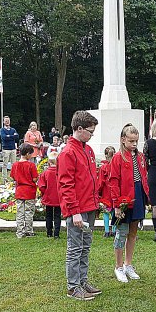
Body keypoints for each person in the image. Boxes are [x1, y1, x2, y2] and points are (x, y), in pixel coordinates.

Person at [57, 110, 101, 301]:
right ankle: (73, 286)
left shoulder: (88, 150)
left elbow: (90, 179)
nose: (92, 135)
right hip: (77, 209)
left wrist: (96, 203)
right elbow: (66, 185)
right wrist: (74, 212)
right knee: (75, 247)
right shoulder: (68, 152)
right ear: (79, 129)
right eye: (90, 131)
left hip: (89, 206)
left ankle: (82, 281)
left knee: (85, 247)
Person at [110, 124, 149, 283]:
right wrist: (117, 204)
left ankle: (128, 264)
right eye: (131, 141)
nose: (134, 144)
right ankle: (118, 266)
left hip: (138, 196)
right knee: (121, 233)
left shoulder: (140, 157)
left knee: (133, 233)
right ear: (123, 139)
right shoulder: (117, 157)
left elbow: (144, 177)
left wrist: (146, 198)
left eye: (136, 141)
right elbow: (113, 181)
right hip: (124, 199)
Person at [10, 143, 38, 238]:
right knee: (29, 212)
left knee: (20, 212)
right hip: (29, 191)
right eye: (31, 154)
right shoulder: (31, 165)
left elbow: (13, 177)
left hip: (19, 190)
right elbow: (34, 179)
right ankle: (29, 230)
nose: (31, 156)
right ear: (27, 154)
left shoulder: (15, 165)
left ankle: (20, 232)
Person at [38, 152, 61, 238]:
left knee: (48, 215)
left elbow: (41, 186)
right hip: (58, 197)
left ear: (48, 162)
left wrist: (44, 193)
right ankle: (57, 233)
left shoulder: (45, 173)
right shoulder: (60, 173)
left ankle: (49, 232)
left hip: (48, 197)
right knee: (57, 215)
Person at [98, 146, 116, 238]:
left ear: (105, 155)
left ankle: (106, 231)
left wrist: (98, 192)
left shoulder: (103, 168)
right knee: (114, 211)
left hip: (106, 192)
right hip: (114, 191)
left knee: (106, 212)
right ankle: (114, 230)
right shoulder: (116, 167)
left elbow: (100, 182)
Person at [0, 116, 19, 183]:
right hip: (6, 149)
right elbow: (4, 138)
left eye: (8, 120)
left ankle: (15, 178)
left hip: (13, 149)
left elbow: (17, 137)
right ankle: (4, 178)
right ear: (3, 122)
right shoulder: (2, 130)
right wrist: (12, 136)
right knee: (5, 164)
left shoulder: (13, 129)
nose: (7, 122)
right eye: (6, 121)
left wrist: (9, 136)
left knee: (14, 164)